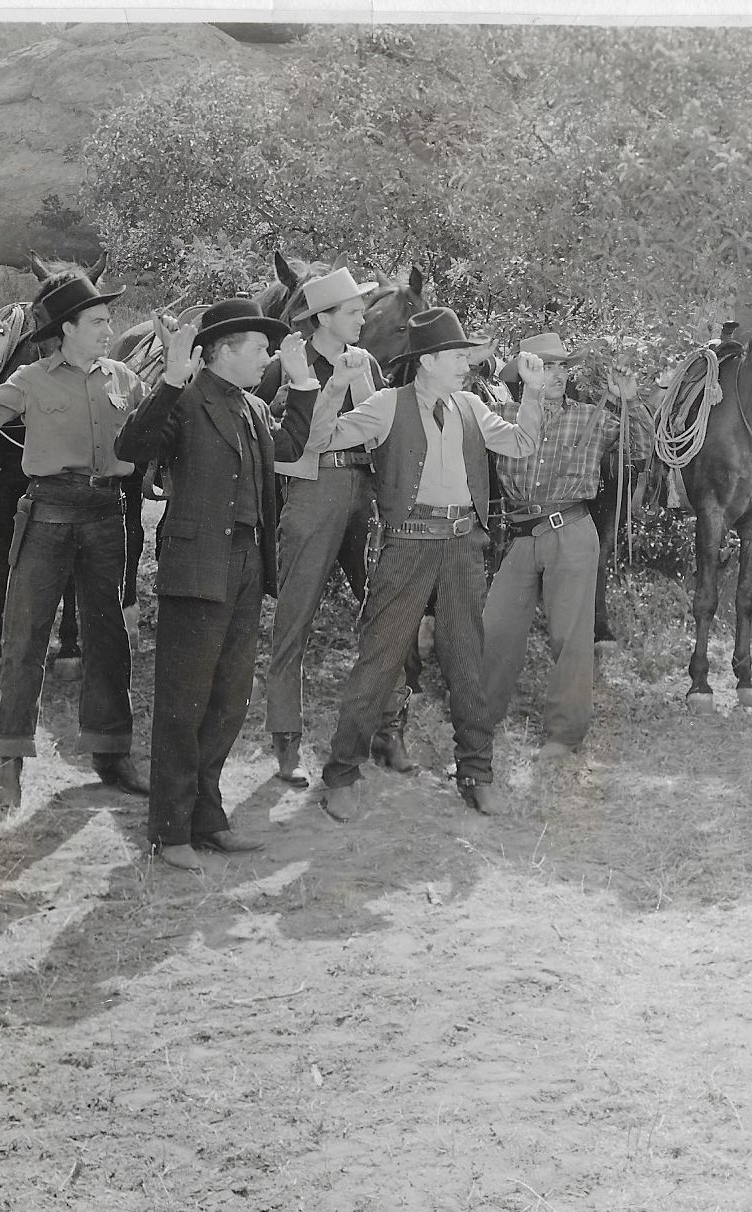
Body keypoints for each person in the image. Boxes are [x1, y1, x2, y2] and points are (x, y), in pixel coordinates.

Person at [287, 307, 551, 820]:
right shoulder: (386, 405)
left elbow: (522, 444)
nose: (465, 366)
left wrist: (534, 393)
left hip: (462, 547)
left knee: (467, 661)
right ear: (428, 361)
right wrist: (335, 387)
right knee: (379, 662)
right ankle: (341, 775)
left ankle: (477, 772)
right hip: (405, 547)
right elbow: (317, 442)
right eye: (456, 357)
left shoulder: (471, 405)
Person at [0, 269, 149, 810]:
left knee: (108, 636)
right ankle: (10, 764)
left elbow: (150, 430)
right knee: (26, 637)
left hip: (105, 513)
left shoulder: (123, 379)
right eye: (97, 321)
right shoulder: (31, 379)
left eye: (108, 320)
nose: (107, 329)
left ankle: (113, 755)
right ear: (66, 328)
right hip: (48, 513)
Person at [113, 298, 286, 872]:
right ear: (223, 351)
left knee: (229, 700)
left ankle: (207, 817)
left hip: (245, 565)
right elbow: (131, 449)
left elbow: (294, 451)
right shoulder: (184, 399)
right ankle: (169, 828)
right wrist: (168, 379)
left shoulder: (255, 408)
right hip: (196, 567)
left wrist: (311, 388)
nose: (269, 357)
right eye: (259, 348)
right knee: (183, 703)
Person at [481, 331, 650, 759]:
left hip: (572, 531)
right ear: (523, 372)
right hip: (519, 536)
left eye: (561, 366)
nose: (556, 374)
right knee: (495, 628)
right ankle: (479, 716)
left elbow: (642, 450)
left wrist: (631, 402)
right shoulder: (499, 415)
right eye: (544, 365)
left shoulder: (590, 416)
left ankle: (564, 735)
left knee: (571, 638)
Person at [260, 266, 392, 788]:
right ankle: (286, 742)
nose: (364, 319)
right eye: (355, 311)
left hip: (363, 492)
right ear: (323, 318)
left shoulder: (367, 364)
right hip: (312, 492)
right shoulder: (283, 365)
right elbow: (269, 437)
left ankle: (386, 728)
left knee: (381, 615)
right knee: (294, 619)